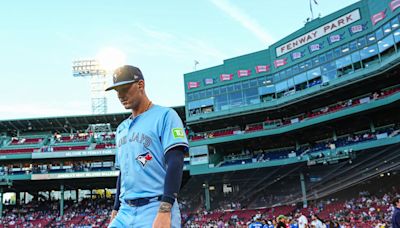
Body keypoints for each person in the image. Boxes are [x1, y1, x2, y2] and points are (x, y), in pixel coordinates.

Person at [106, 65, 189, 228]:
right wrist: (115, 209)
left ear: (140, 85)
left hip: (155, 206)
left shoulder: (165, 116)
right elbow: (123, 172)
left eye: (124, 89)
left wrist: (165, 209)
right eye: (117, 91)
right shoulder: (121, 129)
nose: (120, 95)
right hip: (125, 211)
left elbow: (176, 162)